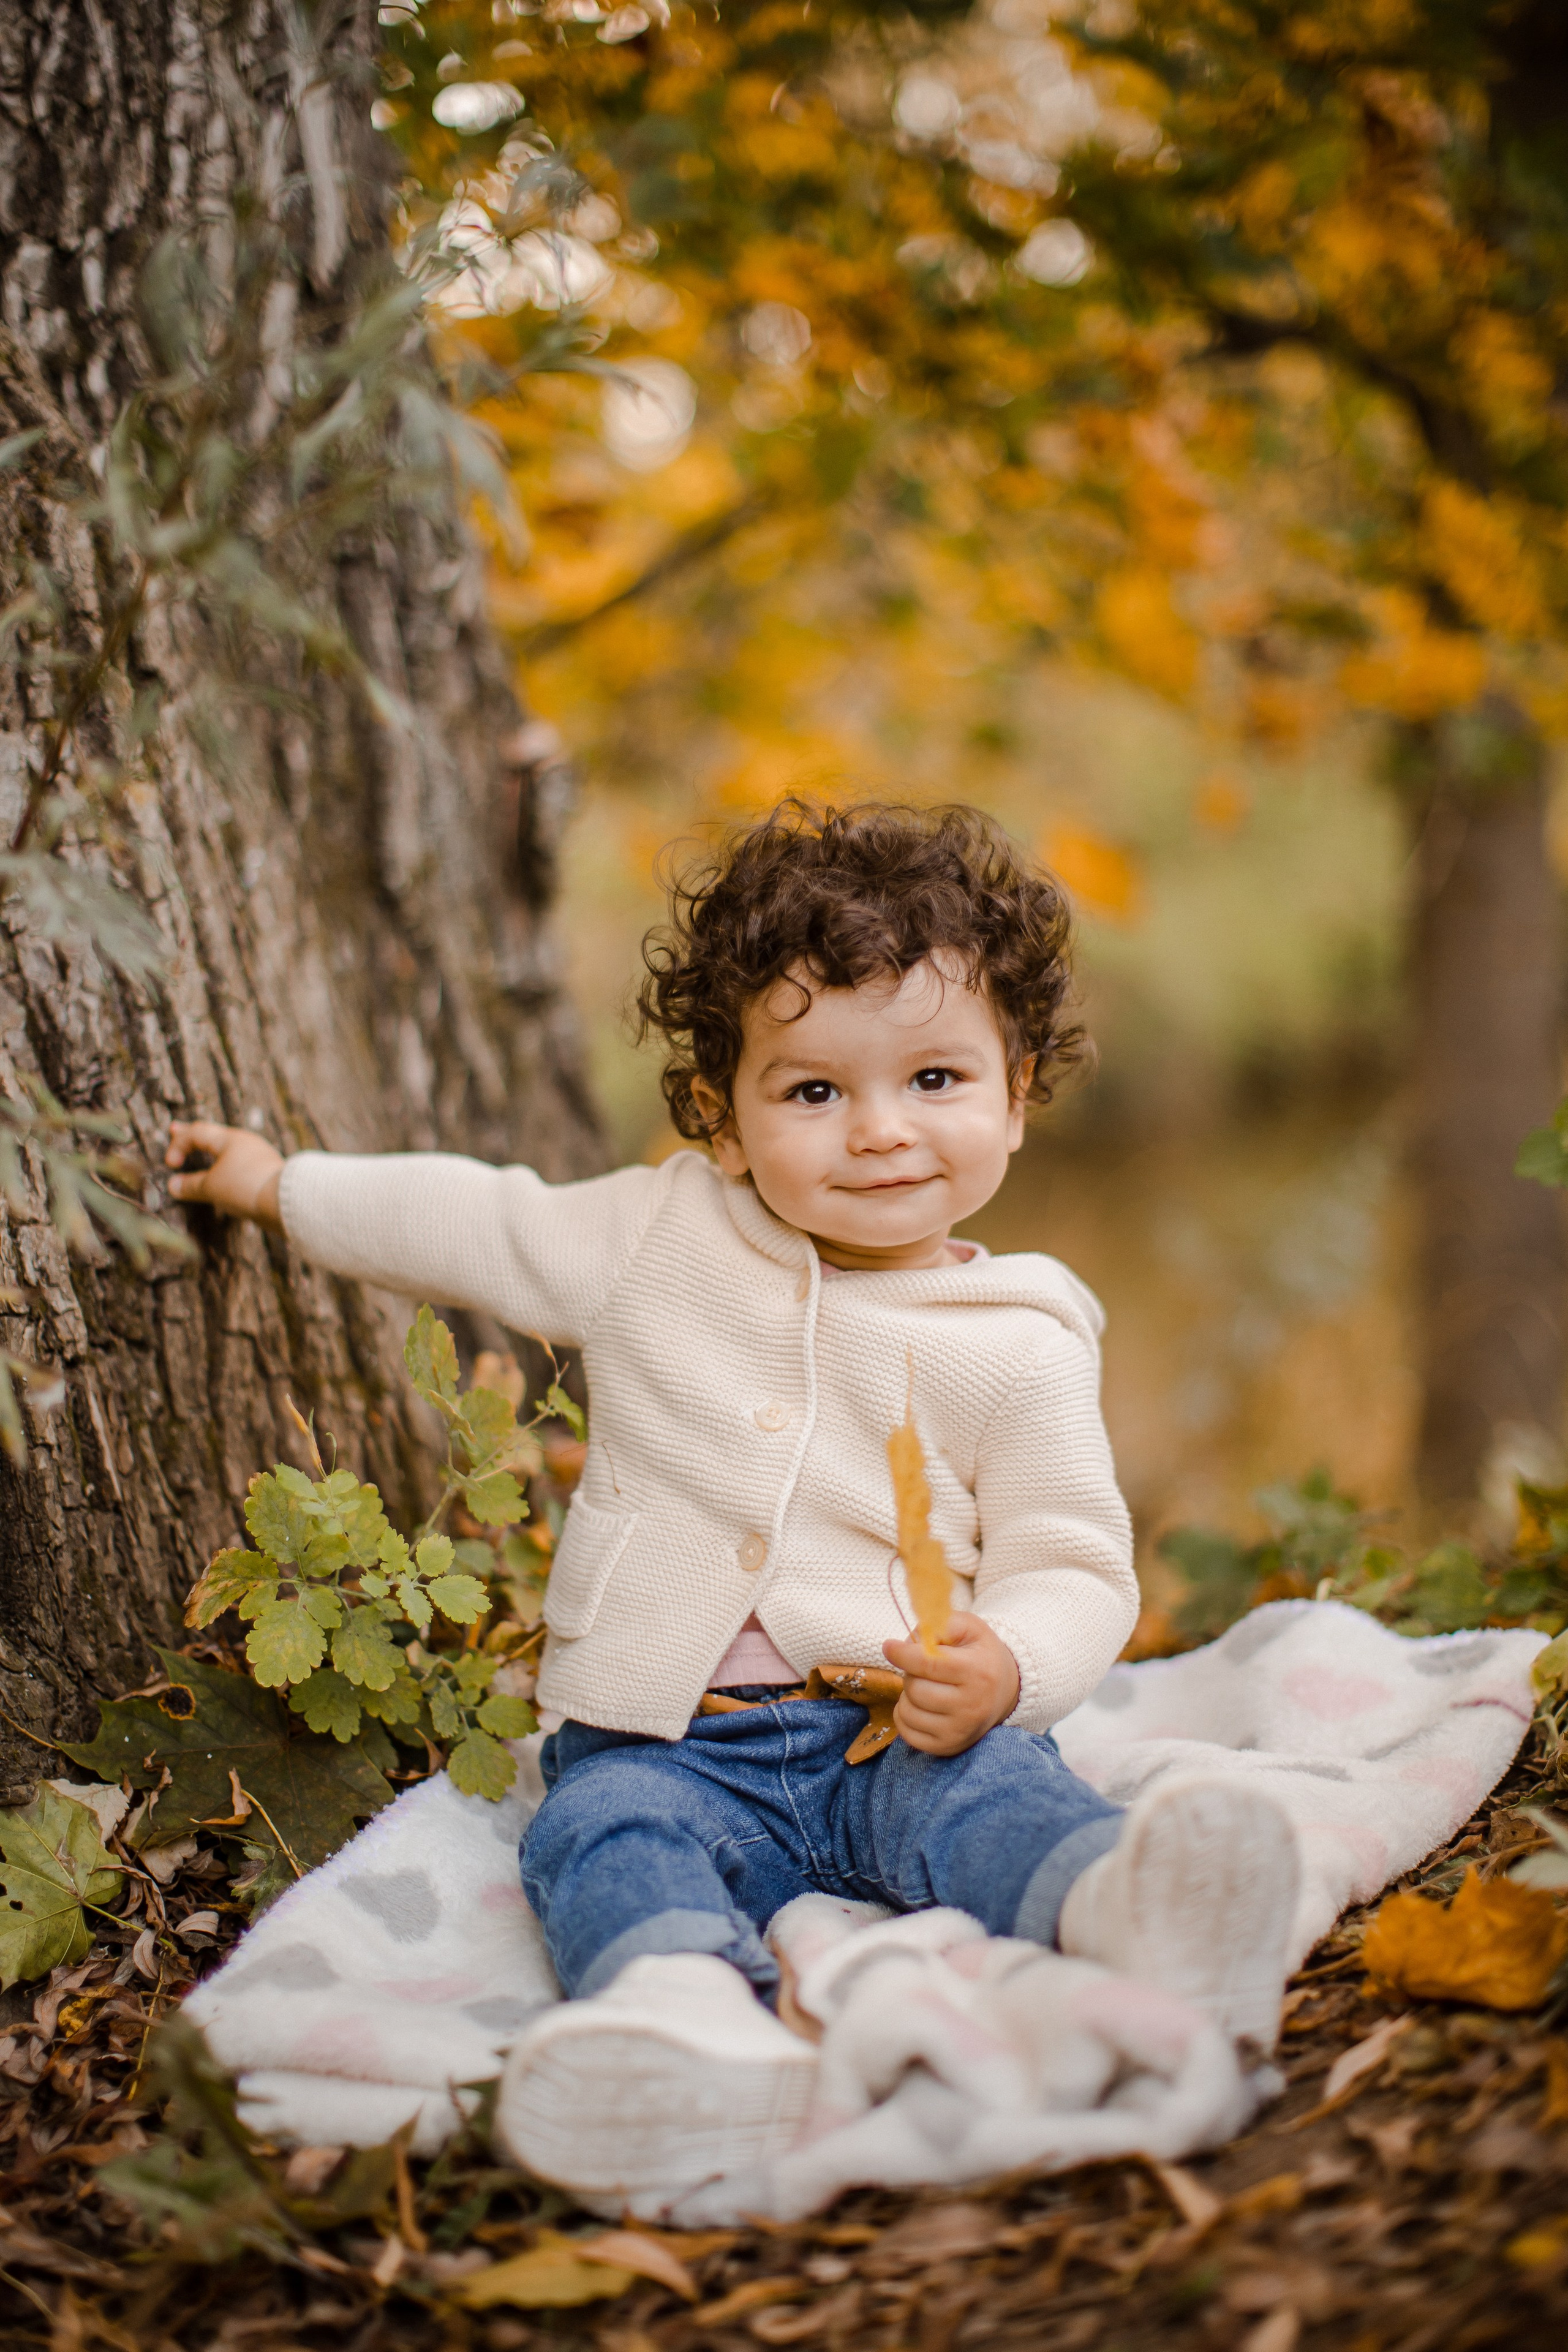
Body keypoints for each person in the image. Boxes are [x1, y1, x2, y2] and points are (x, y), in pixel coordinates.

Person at [167, 799, 1299, 2208]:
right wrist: (287, 1188)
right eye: (813, 1091)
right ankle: (686, 2030)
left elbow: (1072, 1559)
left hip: (889, 1727)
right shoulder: (660, 1238)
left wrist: (1011, 1665)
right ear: (723, 1116)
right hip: (663, 1738)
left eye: (935, 1079)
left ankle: (1127, 1906)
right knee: (597, 1844)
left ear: (1018, 1091)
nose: (880, 1132)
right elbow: (478, 1219)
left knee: (998, 1800)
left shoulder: (1021, 1335)